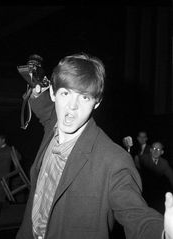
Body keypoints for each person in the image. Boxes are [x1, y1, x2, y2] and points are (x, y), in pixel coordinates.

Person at [16, 53, 173, 239]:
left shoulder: (114, 160)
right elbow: (44, 107)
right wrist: (37, 86)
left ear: (96, 103)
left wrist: (162, 233)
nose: (72, 107)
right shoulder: (53, 125)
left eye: (84, 98)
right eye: (65, 93)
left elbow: (135, 213)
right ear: (53, 94)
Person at [138, 141, 173, 213]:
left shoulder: (164, 163)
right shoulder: (142, 159)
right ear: (150, 150)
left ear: (162, 152)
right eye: (153, 148)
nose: (155, 151)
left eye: (158, 149)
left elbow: (171, 176)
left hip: (154, 194)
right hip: (141, 191)